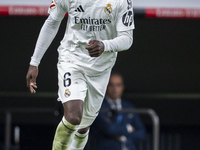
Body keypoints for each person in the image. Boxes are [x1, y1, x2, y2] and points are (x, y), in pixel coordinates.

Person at [26, 0, 134, 149]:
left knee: (83, 127)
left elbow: (127, 38)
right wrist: (35, 62)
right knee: (73, 117)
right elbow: (52, 22)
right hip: (72, 61)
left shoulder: (121, 1)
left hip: (101, 70)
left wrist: (105, 45)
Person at [90, 72, 146, 150]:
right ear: (105, 86)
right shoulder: (99, 106)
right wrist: (128, 128)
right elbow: (109, 129)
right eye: (111, 85)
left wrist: (123, 137)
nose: (115, 89)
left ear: (122, 87)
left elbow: (141, 133)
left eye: (118, 85)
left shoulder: (129, 107)